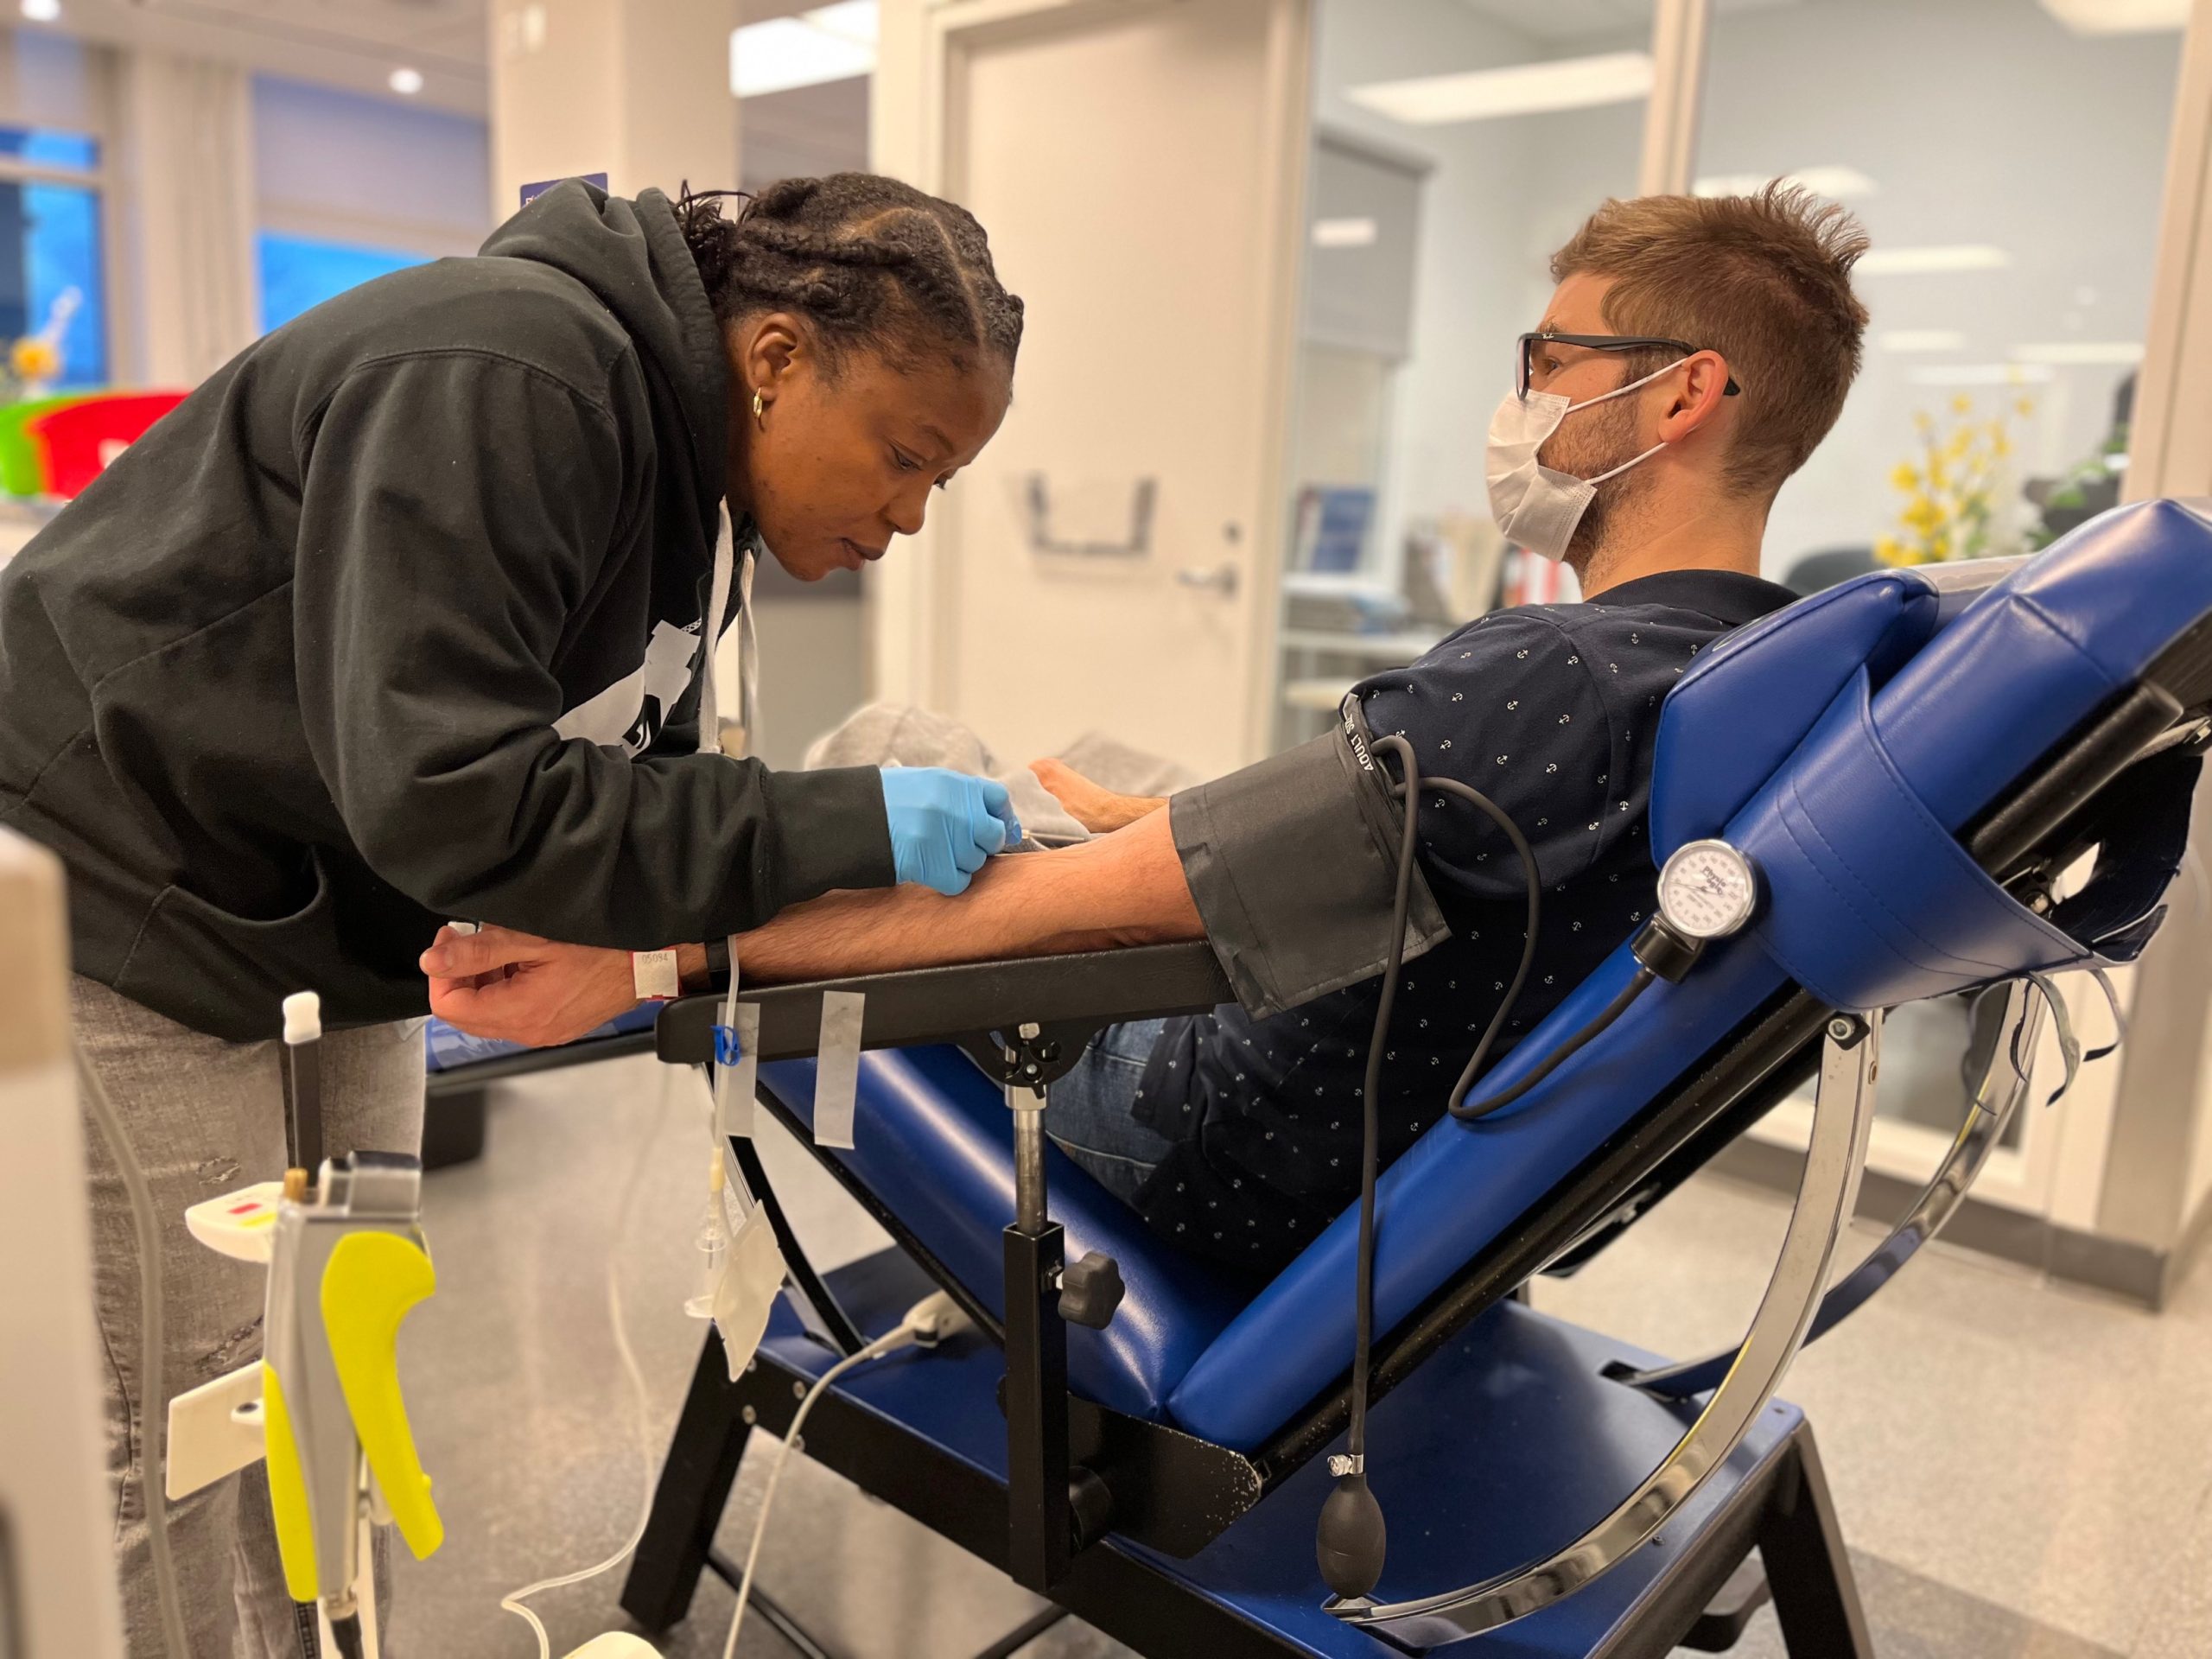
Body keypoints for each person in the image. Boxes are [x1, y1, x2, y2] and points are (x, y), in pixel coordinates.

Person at [428, 184, 1869, 1277]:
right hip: (1362, 1092)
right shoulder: (1749, 659)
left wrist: (647, 960)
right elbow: (1428, 848)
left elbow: (1060, 911)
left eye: (1551, 359)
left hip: (1199, 1131)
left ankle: (513, 960)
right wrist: (1161, 831)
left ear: (1681, 392)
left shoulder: (1555, 675)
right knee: (1085, 772)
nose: (1522, 400)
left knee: (897, 735)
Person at [0, 171, 1028, 1655]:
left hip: (319, 913)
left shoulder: (690, 488)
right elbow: (454, 798)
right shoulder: (507, 376)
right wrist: (838, 819)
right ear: (780, 355)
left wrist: (623, 943)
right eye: (905, 455)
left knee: (331, 1375)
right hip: (115, 888)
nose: (912, 515)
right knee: (176, 1417)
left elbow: (608, 767)